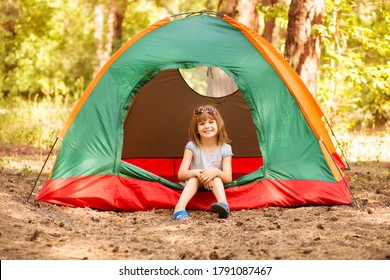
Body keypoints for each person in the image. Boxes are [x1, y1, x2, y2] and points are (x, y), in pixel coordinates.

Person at [172, 105, 233, 221]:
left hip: (215, 184)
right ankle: (179, 208)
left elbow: (228, 177)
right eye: (202, 124)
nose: (207, 126)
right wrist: (200, 174)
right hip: (196, 182)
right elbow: (181, 174)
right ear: (196, 129)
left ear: (218, 125)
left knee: (217, 178)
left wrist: (214, 172)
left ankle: (223, 205)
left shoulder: (226, 148)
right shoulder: (192, 146)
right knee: (194, 178)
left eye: (211, 122)